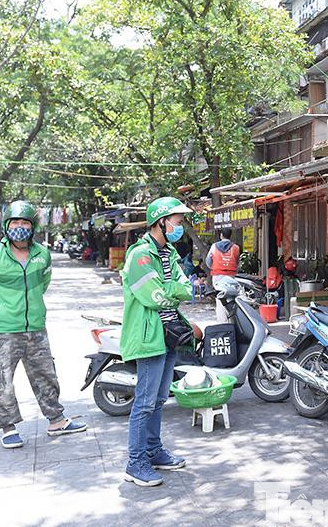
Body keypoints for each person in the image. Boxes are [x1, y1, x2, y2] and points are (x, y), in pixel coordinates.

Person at [0, 201, 86, 450]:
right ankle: (8, 427)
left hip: (36, 326)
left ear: (32, 227)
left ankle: (56, 421)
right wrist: (1, 309)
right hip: (3, 329)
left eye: (25, 222)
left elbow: (43, 284)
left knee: (46, 374)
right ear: (6, 226)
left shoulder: (42, 254)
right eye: (15, 222)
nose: (20, 227)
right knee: (1, 380)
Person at [120, 197, 199, 487]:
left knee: (159, 399)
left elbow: (185, 288)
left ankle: (153, 451)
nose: (180, 227)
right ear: (161, 222)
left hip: (169, 335)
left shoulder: (170, 254)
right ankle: (135, 462)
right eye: (177, 222)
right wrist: (174, 290)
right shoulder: (141, 255)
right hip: (148, 336)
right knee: (144, 402)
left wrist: (175, 290)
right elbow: (154, 296)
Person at [206, 229, 241, 323]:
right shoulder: (236, 248)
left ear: (221, 235)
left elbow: (208, 262)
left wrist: (214, 267)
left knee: (220, 299)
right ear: (230, 236)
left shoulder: (214, 246)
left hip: (217, 276)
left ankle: (222, 322)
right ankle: (232, 321)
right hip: (231, 276)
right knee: (231, 298)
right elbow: (237, 262)